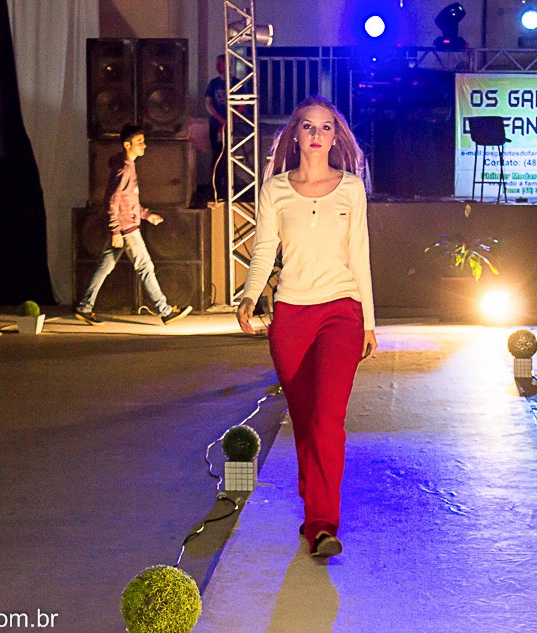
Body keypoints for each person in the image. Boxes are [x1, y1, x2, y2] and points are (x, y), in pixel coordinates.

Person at [236, 95, 377, 558]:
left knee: (326, 419)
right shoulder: (274, 189)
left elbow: (360, 256)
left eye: (326, 127)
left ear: (336, 137)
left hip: (341, 311)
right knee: (302, 421)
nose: (317, 134)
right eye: (308, 126)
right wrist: (250, 295)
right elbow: (264, 249)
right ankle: (314, 498)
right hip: (291, 314)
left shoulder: (351, 188)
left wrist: (369, 323)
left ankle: (322, 523)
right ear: (295, 133)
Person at [74, 124, 192, 326]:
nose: (143, 145)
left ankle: (84, 307)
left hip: (125, 225)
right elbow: (112, 199)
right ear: (127, 145)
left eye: (143, 142)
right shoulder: (124, 168)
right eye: (139, 142)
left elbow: (128, 199)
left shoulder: (127, 165)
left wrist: (147, 215)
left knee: (105, 266)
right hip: (126, 228)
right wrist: (115, 230)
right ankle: (164, 310)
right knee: (145, 267)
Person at [204, 54, 235, 201]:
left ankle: (228, 188)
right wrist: (220, 119)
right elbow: (208, 104)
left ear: (227, 65)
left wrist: (231, 119)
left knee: (229, 156)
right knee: (217, 155)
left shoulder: (237, 83)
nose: (217, 66)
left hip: (232, 126)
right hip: (216, 125)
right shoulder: (213, 83)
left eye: (220, 63)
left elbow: (242, 105)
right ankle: (216, 188)